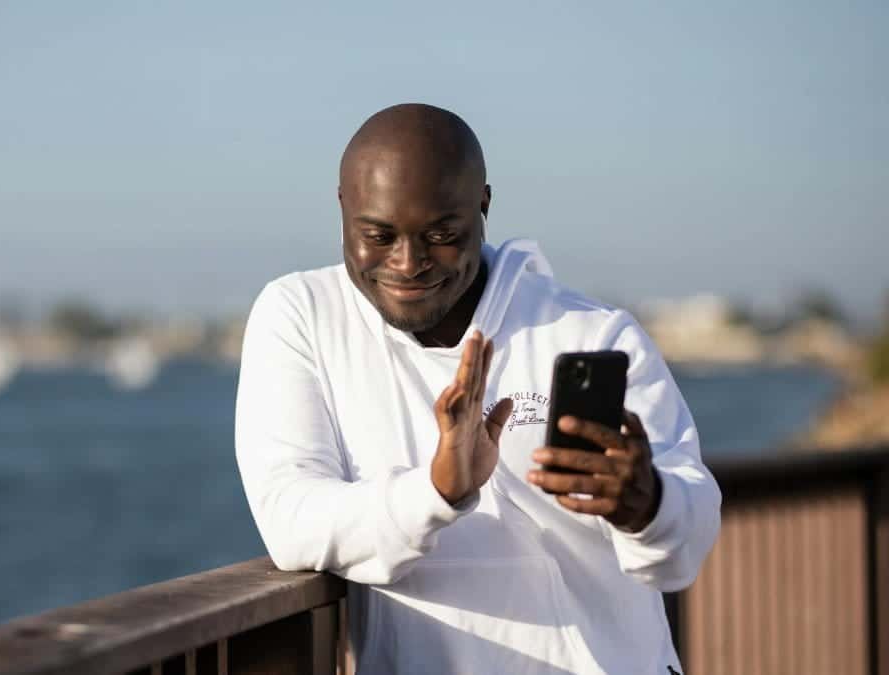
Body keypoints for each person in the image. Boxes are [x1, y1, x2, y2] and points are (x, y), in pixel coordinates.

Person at [234, 103, 720, 674]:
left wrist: (650, 505)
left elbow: (685, 540)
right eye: (378, 235)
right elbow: (291, 520)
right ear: (343, 207)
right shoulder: (303, 318)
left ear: (483, 206)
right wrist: (438, 489)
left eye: (441, 234)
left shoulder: (591, 333)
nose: (408, 263)